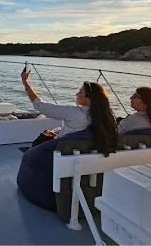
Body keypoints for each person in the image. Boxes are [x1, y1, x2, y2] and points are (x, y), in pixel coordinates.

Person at [17, 66, 119, 211]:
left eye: (80, 92)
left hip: (63, 155)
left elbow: (41, 106)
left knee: (38, 145)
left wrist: (25, 83)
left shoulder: (75, 113)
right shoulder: (108, 118)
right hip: (86, 157)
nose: (76, 93)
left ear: (89, 99)